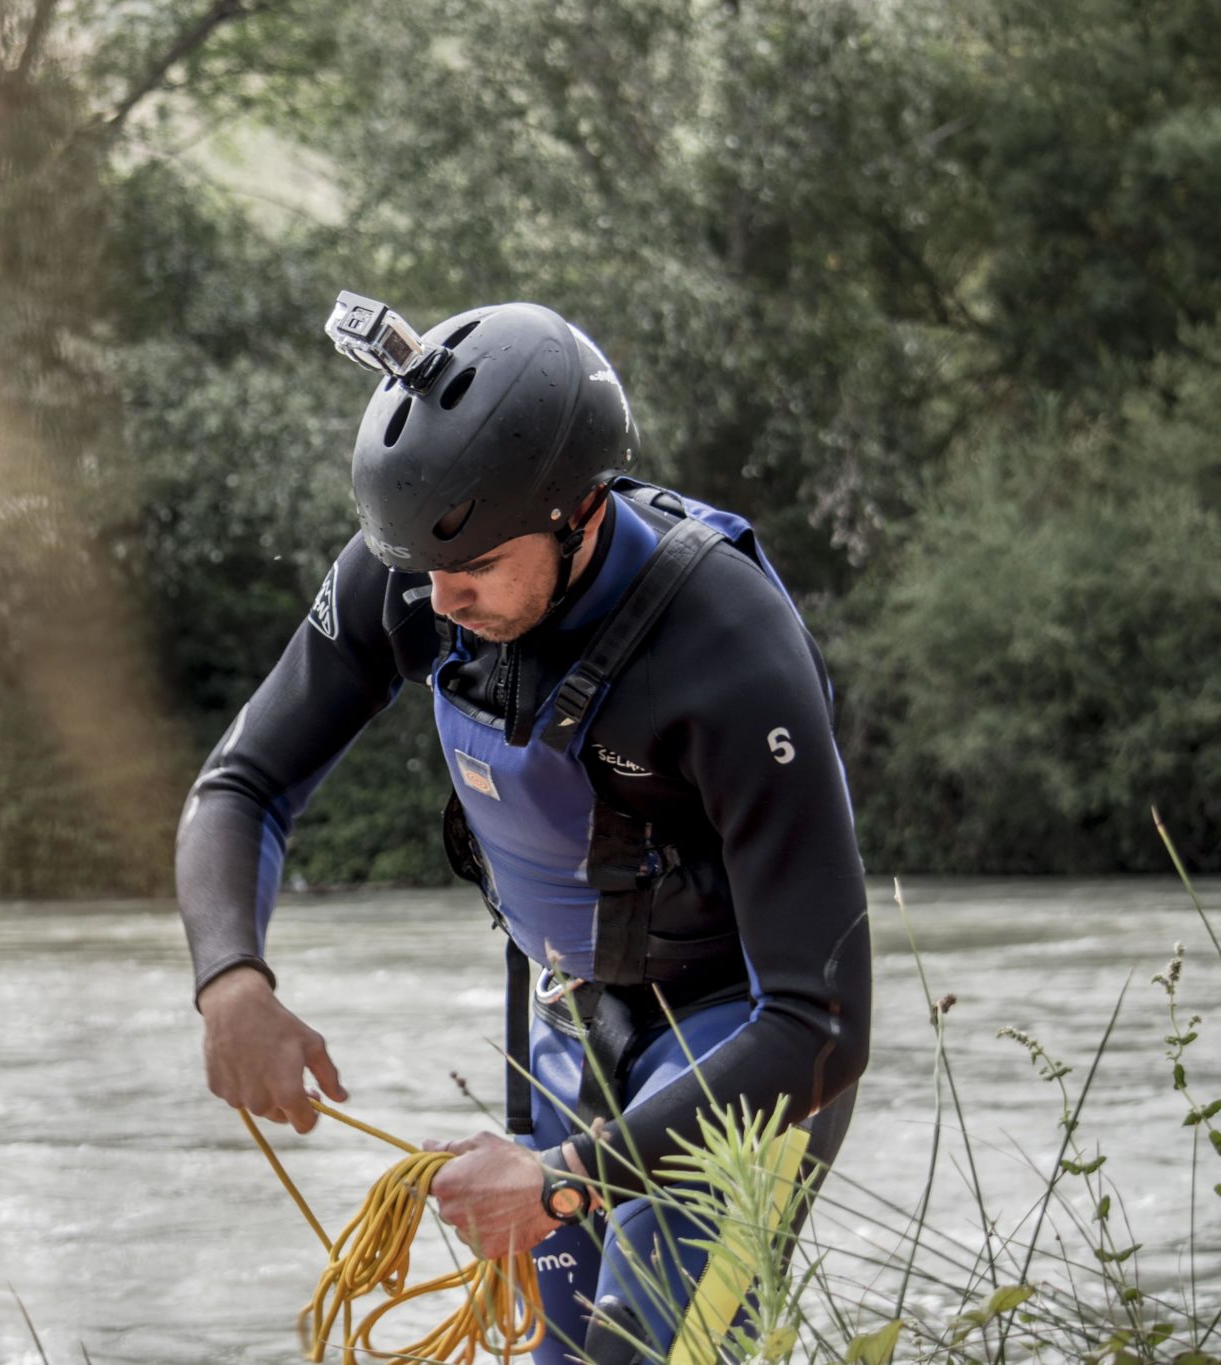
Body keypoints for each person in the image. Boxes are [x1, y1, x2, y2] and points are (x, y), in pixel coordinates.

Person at [175, 293, 871, 1364]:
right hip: (566, 1020)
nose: (438, 598)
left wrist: (562, 1180)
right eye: (418, 570)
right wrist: (230, 981)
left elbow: (820, 1022)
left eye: (475, 568)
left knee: (637, 1351)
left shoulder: (729, 647)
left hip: (738, 1047)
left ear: (578, 514)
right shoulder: (413, 571)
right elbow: (240, 784)